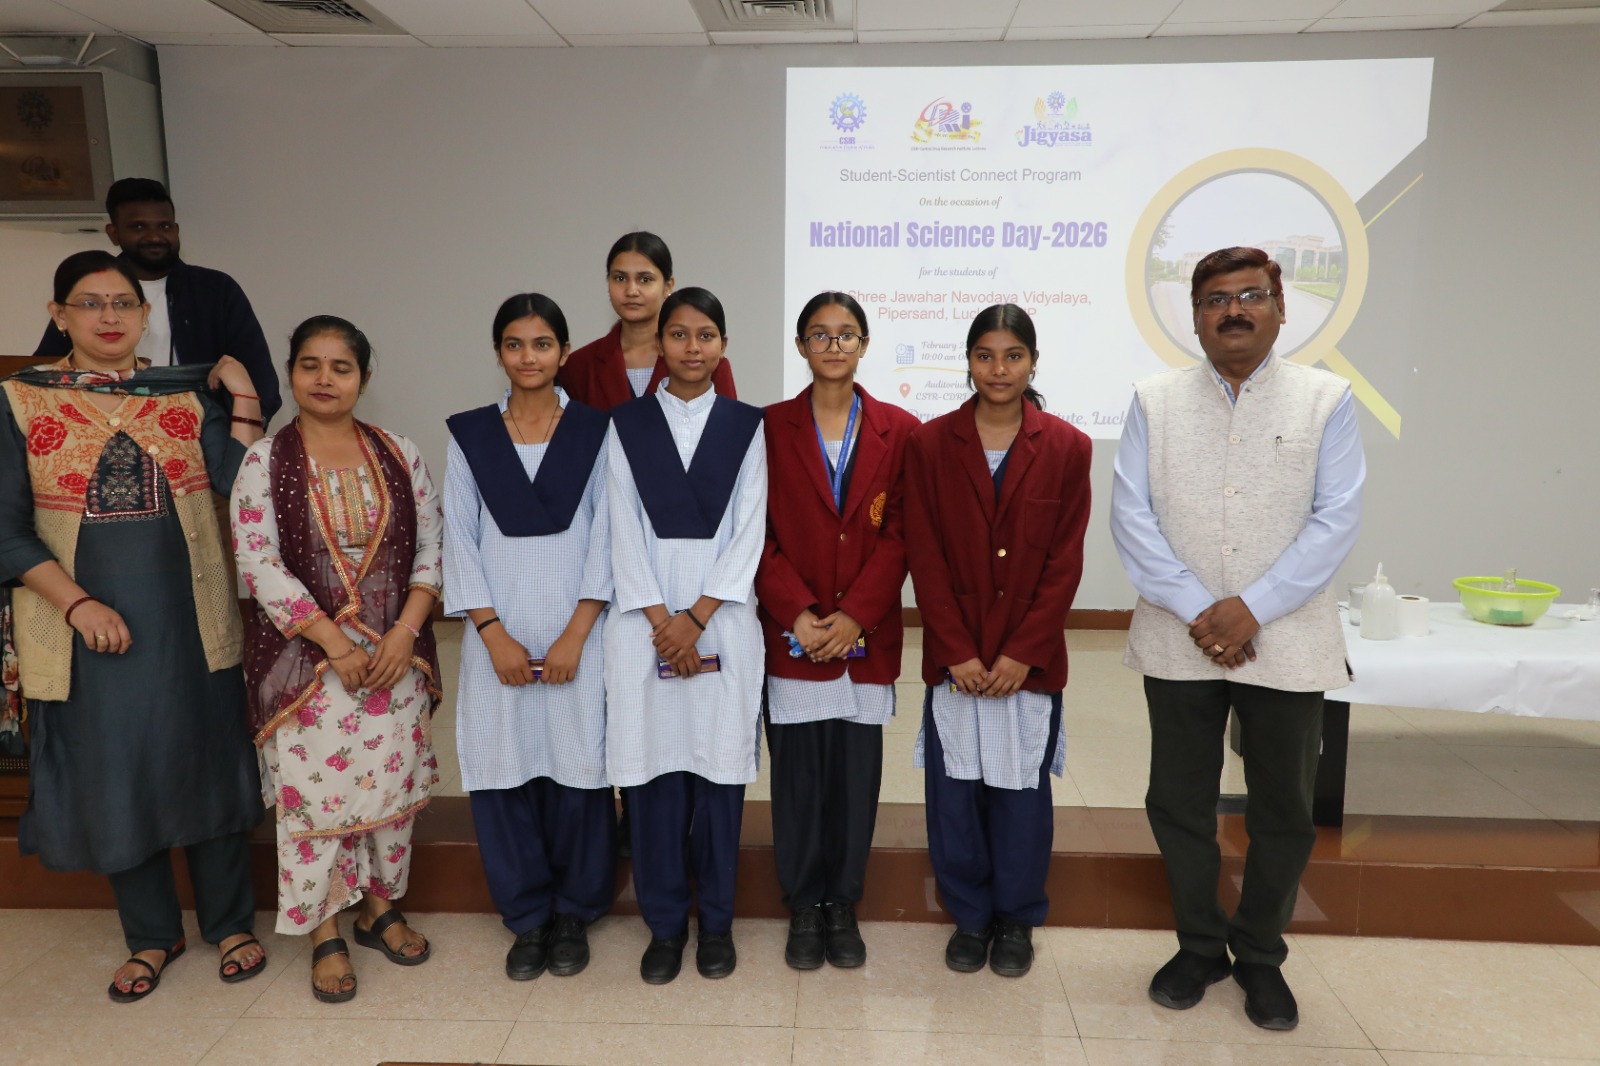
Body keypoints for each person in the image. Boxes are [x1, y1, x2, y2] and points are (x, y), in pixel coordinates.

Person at [0, 249, 267, 1003]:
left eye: (124, 303)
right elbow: (5, 527)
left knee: (207, 759)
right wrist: (77, 604)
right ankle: (151, 935)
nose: (109, 317)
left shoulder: (180, 394)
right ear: (59, 316)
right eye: (90, 303)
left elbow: (245, 489)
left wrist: (244, 398)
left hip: (191, 619)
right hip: (82, 630)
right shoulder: (20, 401)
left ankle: (231, 924)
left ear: (147, 315)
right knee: (114, 771)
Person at [1110, 246, 1364, 1031]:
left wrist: (1252, 608)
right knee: (1177, 800)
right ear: (1195, 318)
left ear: (1281, 308)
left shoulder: (1326, 399)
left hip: (1286, 638)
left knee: (1282, 808)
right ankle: (1198, 944)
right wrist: (1203, 611)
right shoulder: (1153, 401)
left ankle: (1259, 954)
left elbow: (1336, 519)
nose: (1234, 311)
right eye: (1216, 299)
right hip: (1178, 636)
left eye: (1251, 295)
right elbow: (1131, 517)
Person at [233, 315, 444, 1004]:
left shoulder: (399, 452)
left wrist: (405, 633)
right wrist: (333, 642)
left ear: (364, 378)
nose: (325, 379)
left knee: (389, 793)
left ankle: (379, 907)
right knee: (314, 800)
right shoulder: (265, 461)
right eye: (311, 365)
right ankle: (324, 929)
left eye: (341, 367)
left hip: (394, 658)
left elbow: (431, 548)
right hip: (307, 663)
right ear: (292, 373)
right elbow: (258, 561)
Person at [904, 304, 1092, 979]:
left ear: (1033, 362)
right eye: (985, 355)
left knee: (1020, 797)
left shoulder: (1068, 446)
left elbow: (1064, 563)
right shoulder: (929, 444)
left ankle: (1016, 919)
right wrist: (956, 650)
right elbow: (924, 554)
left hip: (1026, 663)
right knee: (955, 796)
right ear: (968, 361)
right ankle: (969, 916)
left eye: (1013, 356)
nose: (999, 369)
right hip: (955, 659)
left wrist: (1021, 654)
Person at [443, 293, 616, 981]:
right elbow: (459, 539)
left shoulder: (596, 432)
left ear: (564, 352)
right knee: (503, 768)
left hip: (580, 634)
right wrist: (492, 635)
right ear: (498, 353)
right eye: (514, 344)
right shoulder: (471, 436)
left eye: (542, 344)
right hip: (499, 638)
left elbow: (608, 537)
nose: (528, 357)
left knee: (579, 769)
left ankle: (575, 911)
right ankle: (527, 916)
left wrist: (575, 634)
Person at [604, 287, 766, 984]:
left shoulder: (747, 426)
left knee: (718, 779)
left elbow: (750, 529)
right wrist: (661, 621)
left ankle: (717, 925)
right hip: (644, 627)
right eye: (679, 334)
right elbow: (620, 526)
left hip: (722, 619)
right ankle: (666, 926)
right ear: (659, 342)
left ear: (724, 344)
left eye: (705, 335)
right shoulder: (626, 424)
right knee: (654, 781)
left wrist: (694, 619)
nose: (692, 348)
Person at [756, 291, 917, 970]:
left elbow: (903, 532)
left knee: (854, 781)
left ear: (864, 344)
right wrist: (796, 610)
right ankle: (802, 903)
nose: (833, 346)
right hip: (791, 631)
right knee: (797, 781)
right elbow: (754, 532)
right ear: (800, 346)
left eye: (846, 334)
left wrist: (855, 616)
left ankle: (842, 903)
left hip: (863, 635)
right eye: (819, 335)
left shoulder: (900, 429)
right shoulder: (767, 427)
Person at [32, 177, 282, 423]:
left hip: (202, 433)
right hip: (99, 427)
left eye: (164, 226)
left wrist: (243, 429)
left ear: (176, 230)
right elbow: (46, 370)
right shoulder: (87, 291)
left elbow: (258, 375)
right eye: (138, 227)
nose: (154, 237)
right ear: (114, 233)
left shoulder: (216, 289)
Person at [560, 232, 737, 409]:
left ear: (668, 286)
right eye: (620, 278)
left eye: (645, 279)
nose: (631, 291)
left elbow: (729, 423)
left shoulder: (706, 362)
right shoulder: (579, 366)